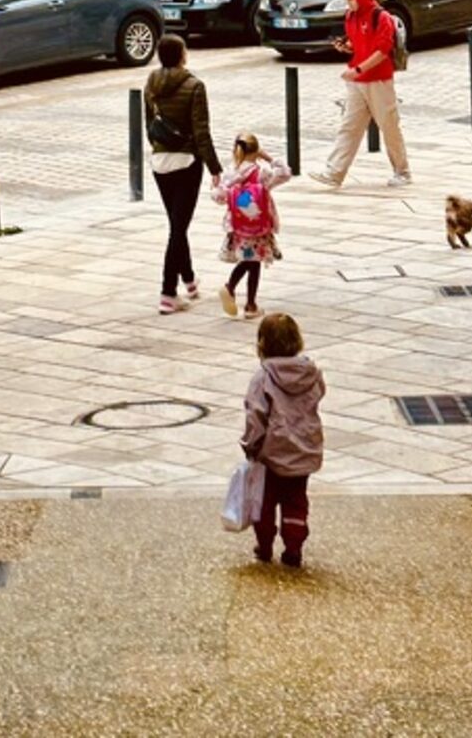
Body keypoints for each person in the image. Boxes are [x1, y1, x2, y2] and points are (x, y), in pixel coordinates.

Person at [143, 34, 223, 313]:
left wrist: (159, 148)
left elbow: (148, 124)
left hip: (159, 161)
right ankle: (168, 292)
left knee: (177, 223)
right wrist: (214, 167)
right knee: (178, 227)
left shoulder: (151, 83)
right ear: (182, 55)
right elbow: (201, 131)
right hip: (187, 161)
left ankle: (188, 279)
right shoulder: (194, 86)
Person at [310, 0, 411, 188]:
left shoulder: (381, 18)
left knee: (389, 125)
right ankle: (334, 172)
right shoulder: (350, 17)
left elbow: (382, 51)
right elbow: (360, 44)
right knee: (349, 126)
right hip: (357, 81)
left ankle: (402, 171)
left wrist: (358, 69)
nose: (350, 4)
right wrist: (347, 48)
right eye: (347, 0)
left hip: (379, 80)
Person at [242, 312, 326, 568]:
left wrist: (250, 444)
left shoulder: (263, 378)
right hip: (304, 449)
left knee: (265, 503)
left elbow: (256, 415)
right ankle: (293, 548)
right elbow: (318, 396)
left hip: (272, 453)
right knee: (296, 501)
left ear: (262, 344)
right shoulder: (312, 373)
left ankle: (265, 546)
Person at [216, 132, 290, 318]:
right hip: (259, 226)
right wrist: (270, 158)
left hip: (238, 226)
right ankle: (242, 297)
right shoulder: (261, 173)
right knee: (254, 261)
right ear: (256, 151)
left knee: (250, 260)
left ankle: (244, 298)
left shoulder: (232, 173)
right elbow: (285, 174)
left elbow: (218, 196)